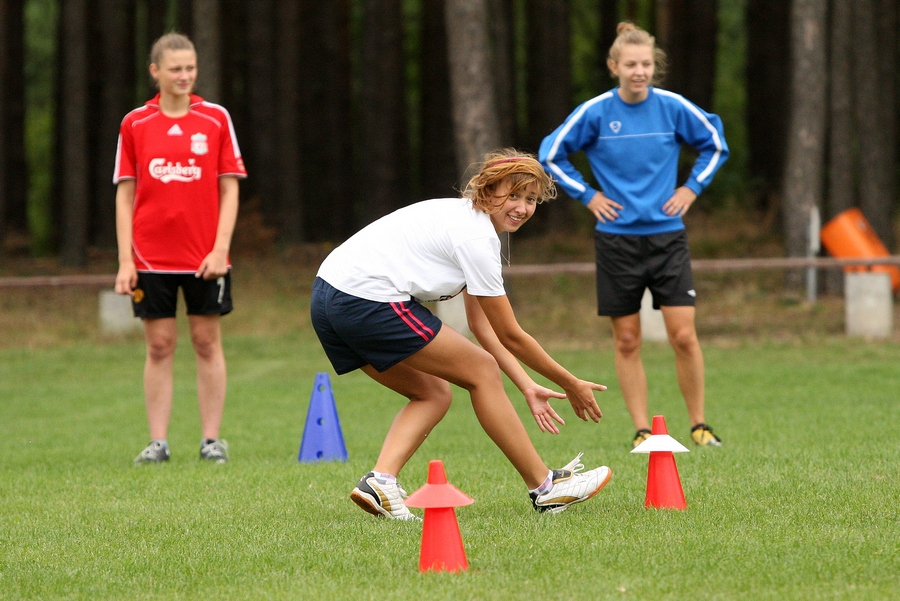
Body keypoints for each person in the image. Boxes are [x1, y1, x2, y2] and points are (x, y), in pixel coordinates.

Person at [311, 149, 612, 519]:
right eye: (512, 194)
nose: (522, 207)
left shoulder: (467, 225)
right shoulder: (476, 239)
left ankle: (380, 483)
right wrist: (569, 381)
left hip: (327, 298)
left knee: (431, 393)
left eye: (531, 199)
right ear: (486, 191)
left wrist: (527, 385)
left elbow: (481, 325)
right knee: (481, 371)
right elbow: (511, 335)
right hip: (365, 299)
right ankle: (545, 488)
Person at [539, 22, 728, 448]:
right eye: (630, 64)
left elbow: (715, 143)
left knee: (683, 335)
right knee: (627, 340)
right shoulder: (596, 112)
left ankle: (699, 426)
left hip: (668, 238)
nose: (638, 71)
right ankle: (643, 432)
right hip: (616, 241)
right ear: (614, 67)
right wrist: (588, 196)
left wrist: (690, 188)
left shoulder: (674, 107)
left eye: (645, 64)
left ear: (654, 66)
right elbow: (551, 153)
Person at [113, 32, 247, 465]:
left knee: (207, 342)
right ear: (156, 72)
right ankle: (158, 442)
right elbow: (124, 194)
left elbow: (229, 190)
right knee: (159, 345)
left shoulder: (215, 119)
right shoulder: (135, 123)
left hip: (206, 257)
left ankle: (211, 441)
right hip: (150, 258)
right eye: (175, 69)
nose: (184, 75)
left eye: (190, 68)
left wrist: (219, 249)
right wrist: (125, 260)